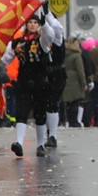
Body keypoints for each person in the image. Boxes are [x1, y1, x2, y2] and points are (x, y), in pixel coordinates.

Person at [1, 8, 55, 157]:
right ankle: (18, 143)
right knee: (21, 112)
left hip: (40, 82)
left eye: (35, 23)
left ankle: (40, 145)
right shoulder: (18, 43)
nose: (32, 25)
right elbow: (5, 59)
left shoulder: (42, 41)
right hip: (24, 82)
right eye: (30, 22)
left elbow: (50, 35)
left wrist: (45, 22)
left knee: (39, 114)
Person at [41, 11, 67, 148]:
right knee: (45, 105)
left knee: (52, 103)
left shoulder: (57, 38)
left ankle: (53, 135)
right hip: (44, 74)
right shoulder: (42, 40)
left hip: (57, 73)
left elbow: (56, 29)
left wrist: (48, 15)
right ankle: (49, 132)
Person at [61, 37, 87, 127]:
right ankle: (74, 121)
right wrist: (84, 82)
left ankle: (68, 119)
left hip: (65, 78)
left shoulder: (64, 54)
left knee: (68, 102)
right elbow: (80, 70)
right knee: (75, 101)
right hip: (75, 79)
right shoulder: (76, 55)